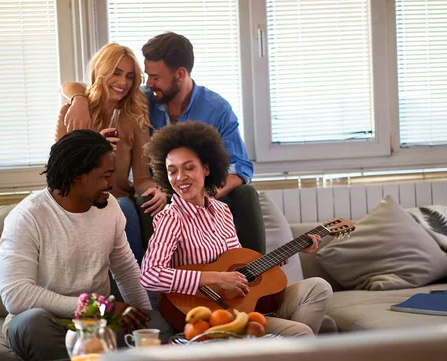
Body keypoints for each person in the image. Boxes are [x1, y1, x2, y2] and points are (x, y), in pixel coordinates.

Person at [61, 32, 266, 255]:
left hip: (207, 193)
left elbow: (241, 168)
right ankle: (158, 285)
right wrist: (78, 100)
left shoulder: (216, 109)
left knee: (246, 194)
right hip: (164, 193)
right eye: (146, 76)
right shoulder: (142, 101)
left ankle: (258, 272)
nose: (148, 84)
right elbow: (90, 85)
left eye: (155, 77)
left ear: (180, 74)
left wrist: (200, 196)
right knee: (146, 203)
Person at [141, 121, 332, 336]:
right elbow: (150, 275)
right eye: (172, 171)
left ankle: (268, 344)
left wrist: (291, 250)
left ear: (206, 168)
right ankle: (274, 341)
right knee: (301, 332)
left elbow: (239, 265)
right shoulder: (171, 218)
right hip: (206, 310)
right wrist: (217, 278)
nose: (180, 178)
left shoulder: (222, 211)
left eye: (189, 167)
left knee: (319, 287)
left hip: (242, 301)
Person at [0, 130, 170, 361]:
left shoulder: (110, 208)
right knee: (33, 324)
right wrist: (99, 306)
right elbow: (15, 295)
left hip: (96, 322)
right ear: (78, 175)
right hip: (48, 322)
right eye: (106, 175)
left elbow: (126, 269)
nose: (112, 184)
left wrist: (142, 318)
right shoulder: (28, 216)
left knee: (159, 326)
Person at [56, 43, 167, 263]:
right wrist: (94, 151)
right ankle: (133, 287)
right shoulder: (74, 112)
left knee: (141, 206)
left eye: (129, 76)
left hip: (119, 199)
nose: (123, 82)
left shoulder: (134, 116)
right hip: (81, 200)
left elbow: (143, 178)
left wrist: (158, 190)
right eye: (116, 73)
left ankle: (150, 284)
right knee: (123, 207)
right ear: (101, 71)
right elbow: (59, 175)